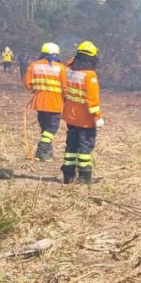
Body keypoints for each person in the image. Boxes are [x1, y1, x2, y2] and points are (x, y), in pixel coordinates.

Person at [61, 41, 103, 184]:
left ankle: (68, 176)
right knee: (85, 147)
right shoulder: (89, 75)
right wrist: (97, 118)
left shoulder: (69, 70)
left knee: (71, 146)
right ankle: (84, 177)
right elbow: (92, 100)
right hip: (85, 120)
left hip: (70, 117)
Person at [24, 43, 67, 162]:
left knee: (45, 128)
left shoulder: (34, 65)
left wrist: (37, 89)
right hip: (55, 103)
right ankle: (41, 151)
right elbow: (65, 88)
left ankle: (48, 153)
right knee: (52, 128)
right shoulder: (61, 68)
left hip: (39, 102)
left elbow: (28, 84)